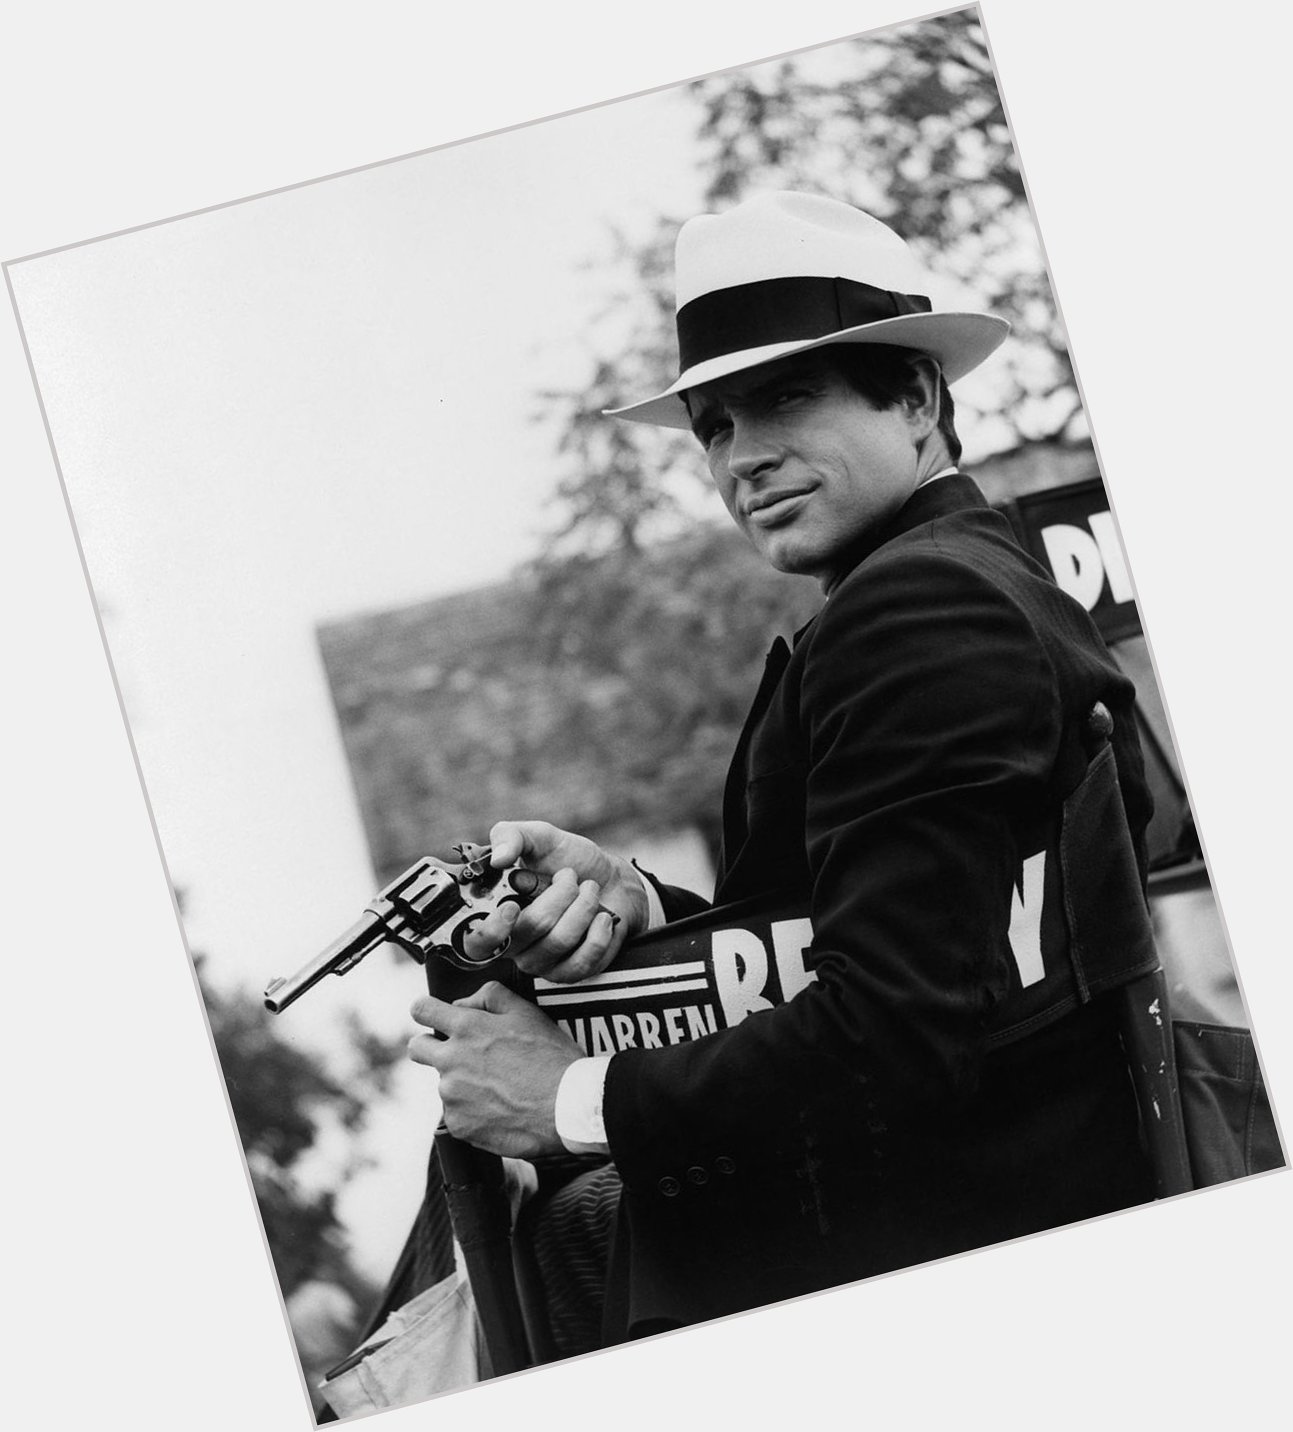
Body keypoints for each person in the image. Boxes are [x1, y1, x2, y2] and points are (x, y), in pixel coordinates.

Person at [407, 191, 1157, 1339]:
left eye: (785, 397)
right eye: (713, 424)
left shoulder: (915, 607)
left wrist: (561, 1094)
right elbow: (895, 939)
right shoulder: (974, 579)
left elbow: (893, 1034)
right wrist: (640, 904)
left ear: (915, 395)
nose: (744, 457)